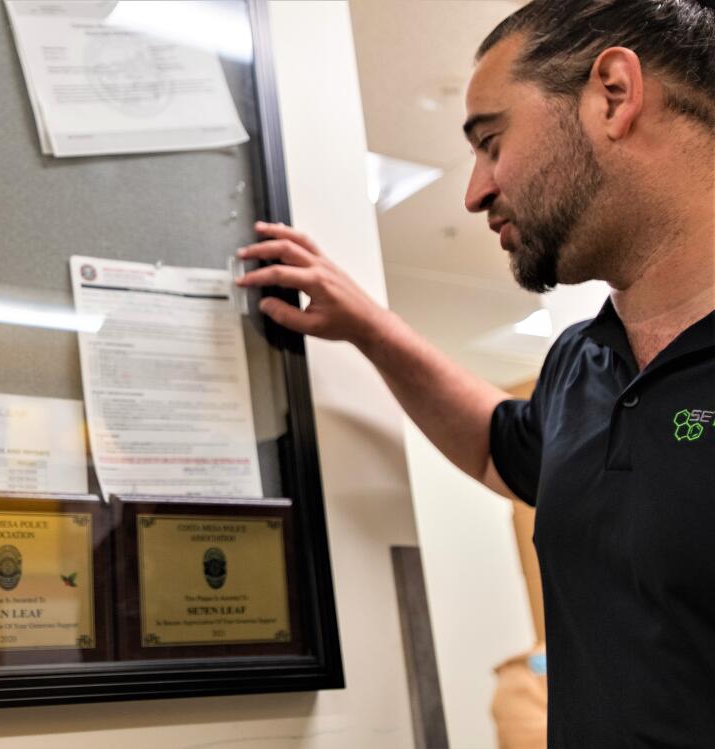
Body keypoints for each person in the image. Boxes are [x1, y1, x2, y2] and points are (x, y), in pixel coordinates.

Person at [235, 0, 715, 744]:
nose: (475, 191)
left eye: (492, 142)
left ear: (613, 95)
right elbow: (501, 445)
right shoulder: (580, 365)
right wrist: (369, 326)